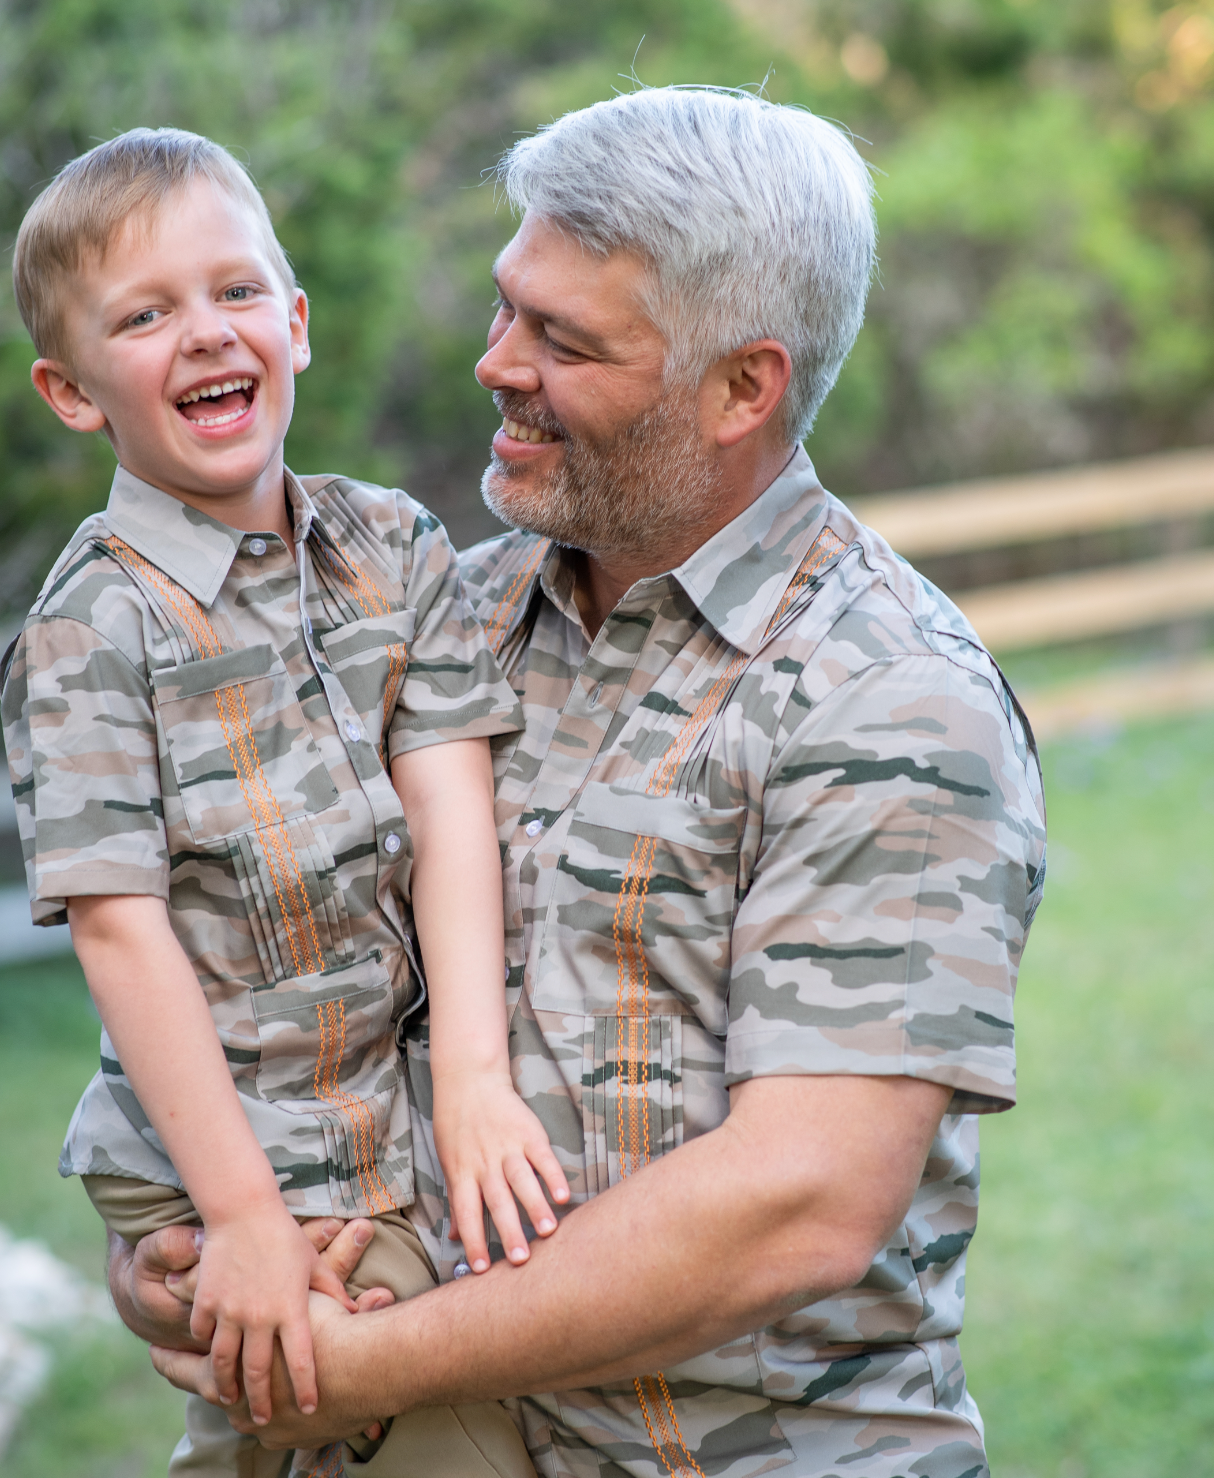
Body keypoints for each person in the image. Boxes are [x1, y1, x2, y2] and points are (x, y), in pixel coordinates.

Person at [118, 88, 1047, 1478]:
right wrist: (198, 1252)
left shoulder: (890, 693)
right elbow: (262, 974)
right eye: (507, 308)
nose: (495, 363)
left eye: (564, 340)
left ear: (745, 385)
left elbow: (800, 1203)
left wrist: (355, 1361)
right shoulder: (425, 626)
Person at [0, 127, 575, 1478]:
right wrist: (241, 1211)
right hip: (216, 1142)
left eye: (235, 291)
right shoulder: (91, 630)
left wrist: (478, 1086)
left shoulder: (392, 546)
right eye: (144, 315)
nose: (205, 333)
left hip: (378, 1108)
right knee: (429, 1437)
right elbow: (118, 932)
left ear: (297, 324)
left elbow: (449, 816)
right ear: (73, 391)